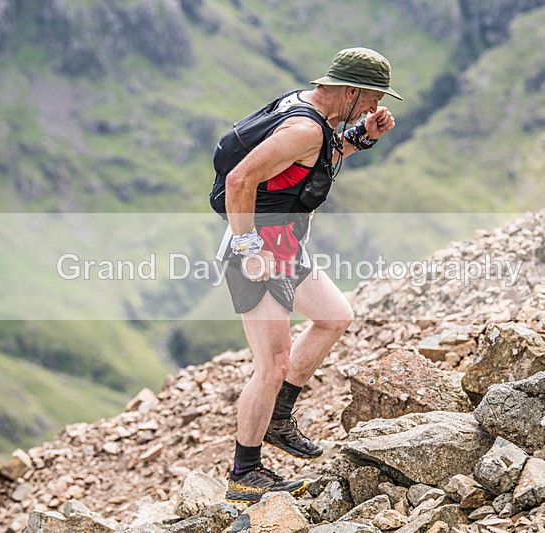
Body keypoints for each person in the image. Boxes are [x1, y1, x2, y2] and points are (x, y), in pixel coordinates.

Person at [215, 47, 401, 503]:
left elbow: (313, 159)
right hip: (258, 252)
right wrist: (248, 248)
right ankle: (245, 471)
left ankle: (279, 418)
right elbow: (241, 181)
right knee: (272, 365)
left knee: (335, 316)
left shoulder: (309, 110)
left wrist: (362, 134)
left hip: (286, 247)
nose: (377, 106)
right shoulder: (302, 127)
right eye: (374, 99)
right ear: (352, 90)